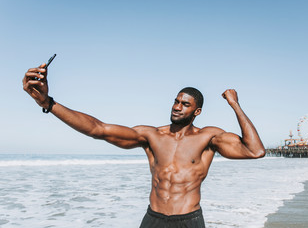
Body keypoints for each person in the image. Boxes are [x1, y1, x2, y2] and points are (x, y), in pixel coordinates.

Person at [23, 62, 265, 228]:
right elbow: (98, 129)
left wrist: (234, 104)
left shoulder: (209, 138)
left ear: (197, 111)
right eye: (176, 101)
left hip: (189, 220)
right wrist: (48, 102)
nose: (177, 106)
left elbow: (255, 151)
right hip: (154, 219)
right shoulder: (151, 136)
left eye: (185, 104)